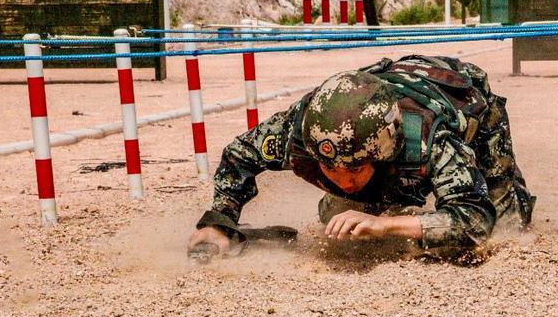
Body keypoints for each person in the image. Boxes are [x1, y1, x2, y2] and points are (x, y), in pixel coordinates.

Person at [187, 54, 535, 259]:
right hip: (381, 99)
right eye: (329, 167)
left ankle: (398, 207)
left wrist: (388, 224)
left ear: (382, 154)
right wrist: (220, 222)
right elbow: (238, 156)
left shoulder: (429, 139)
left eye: (354, 168)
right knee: (340, 219)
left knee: (502, 232)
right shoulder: (299, 130)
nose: (342, 179)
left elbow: (474, 220)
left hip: (465, 99)